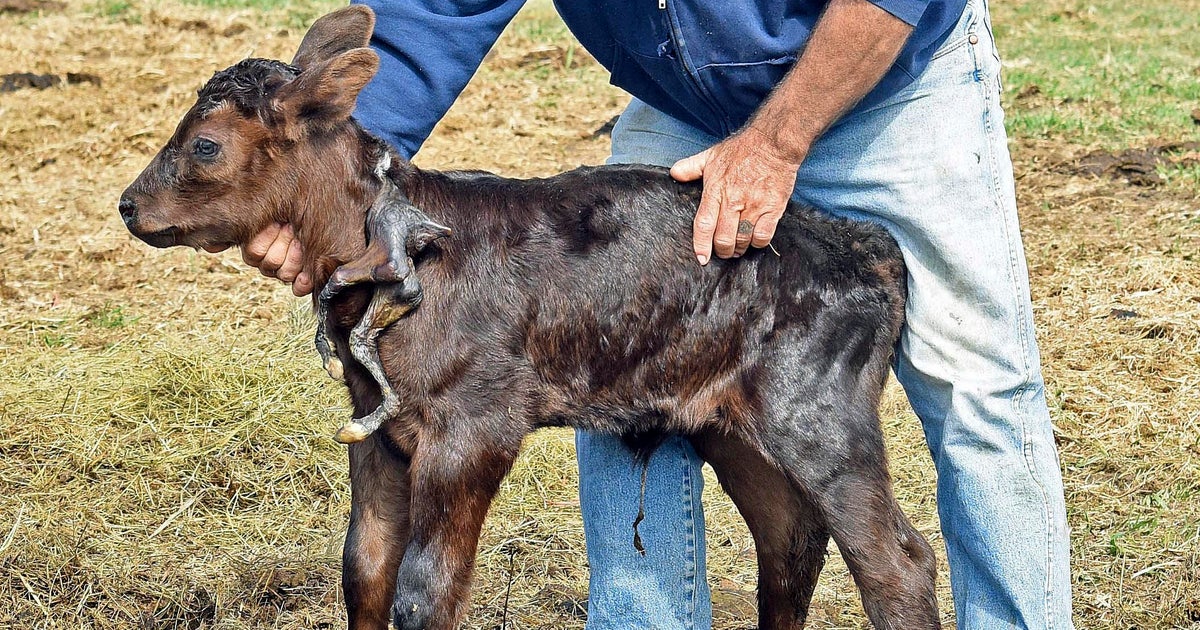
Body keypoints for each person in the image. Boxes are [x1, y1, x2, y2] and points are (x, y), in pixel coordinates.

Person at [244, 0, 1074, 627]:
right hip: (683, 96)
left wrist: (779, 142)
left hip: (882, 74)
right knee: (607, 358)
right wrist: (321, 180)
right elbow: (437, 5)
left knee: (976, 384)